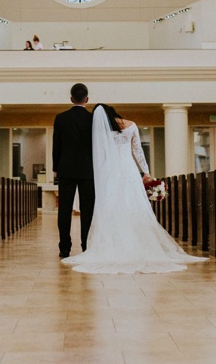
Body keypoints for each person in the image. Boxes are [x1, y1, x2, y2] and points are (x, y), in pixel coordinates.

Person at [62, 104, 207, 274]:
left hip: (109, 171)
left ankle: (114, 245)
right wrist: (146, 172)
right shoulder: (131, 125)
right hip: (129, 170)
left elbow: (96, 154)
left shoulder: (100, 131)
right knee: (133, 206)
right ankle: (138, 243)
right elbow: (138, 151)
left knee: (111, 207)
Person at [53, 83, 95, 258]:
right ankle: (87, 246)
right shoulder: (93, 119)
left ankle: (65, 248)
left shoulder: (61, 118)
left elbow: (57, 146)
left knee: (64, 210)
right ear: (87, 99)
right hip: (88, 171)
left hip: (66, 170)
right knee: (88, 210)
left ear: (71, 99)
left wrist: (56, 169)